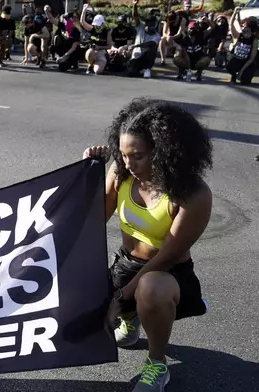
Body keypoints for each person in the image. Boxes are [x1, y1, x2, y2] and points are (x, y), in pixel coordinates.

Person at [84, 97, 212, 392]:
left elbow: (168, 256)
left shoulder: (193, 194)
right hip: (125, 266)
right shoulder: (122, 172)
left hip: (167, 274)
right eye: (124, 154)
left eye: (138, 156)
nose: (129, 163)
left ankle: (157, 363)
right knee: (77, 319)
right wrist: (88, 171)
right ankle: (131, 318)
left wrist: (119, 299)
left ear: (165, 150)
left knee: (150, 288)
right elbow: (93, 220)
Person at [126, 0, 161, 78]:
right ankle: (137, 69)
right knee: (131, 73)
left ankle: (147, 69)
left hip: (147, 58)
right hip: (137, 56)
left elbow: (150, 44)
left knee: (151, 49)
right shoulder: (140, 26)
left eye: (152, 24)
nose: (149, 26)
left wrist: (136, 46)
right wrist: (134, 5)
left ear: (155, 25)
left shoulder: (157, 36)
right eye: (148, 24)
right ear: (145, 24)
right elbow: (135, 16)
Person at [226, 10, 258, 85]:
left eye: (245, 27)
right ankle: (233, 75)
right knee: (229, 66)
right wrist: (234, 13)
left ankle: (244, 75)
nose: (243, 28)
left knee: (245, 82)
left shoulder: (254, 40)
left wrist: (241, 71)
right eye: (243, 26)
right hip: (235, 59)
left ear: (250, 28)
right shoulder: (238, 35)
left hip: (246, 62)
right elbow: (231, 25)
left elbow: (251, 59)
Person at [80, 5, 112, 74]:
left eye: (99, 25)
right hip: (93, 51)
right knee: (89, 52)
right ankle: (90, 65)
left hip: (101, 52)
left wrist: (99, 47)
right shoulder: (92, 29)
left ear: (103, 23)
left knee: (98, 71)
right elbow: (82, 22)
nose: (97, 26)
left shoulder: (107, 32)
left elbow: (109, 46)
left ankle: (99, 64)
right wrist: (84, 10)